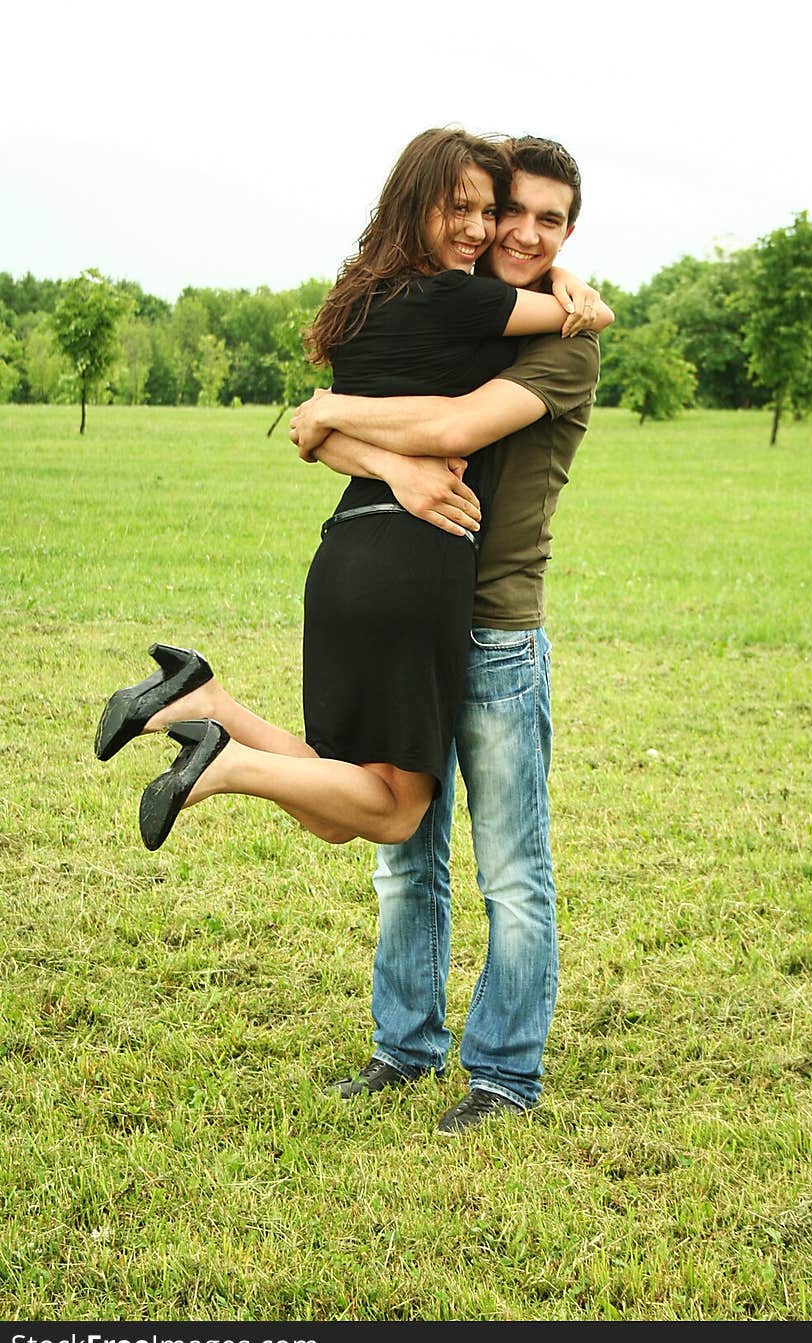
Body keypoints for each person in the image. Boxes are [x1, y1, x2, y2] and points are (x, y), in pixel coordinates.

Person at [94, 130, 608, 877]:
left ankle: (207, 702)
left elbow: (316, 428)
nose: (480, 227)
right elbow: (577, 325)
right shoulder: (458, 297)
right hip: (417, 558)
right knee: (397, 810)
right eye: (459, 208)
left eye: (485, 211)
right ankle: (222, 765)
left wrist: (359, 438)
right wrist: (571, 285)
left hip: (343, 553)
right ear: (416, 204)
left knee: (341, 800)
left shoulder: (364, 297)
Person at [288, 135, 608, 1134]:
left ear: (567, 235)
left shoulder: (561, 341)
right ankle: (406, 1045)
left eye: (548, 221)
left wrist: (331, 414)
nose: (516, 230)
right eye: (512, 209)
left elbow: (448, 428)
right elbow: (361, 427)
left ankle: (504, 1074)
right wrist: (344, 436)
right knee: (406, 852)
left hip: (497, 630)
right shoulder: (467, 312)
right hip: (418, 611)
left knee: (510, 868)